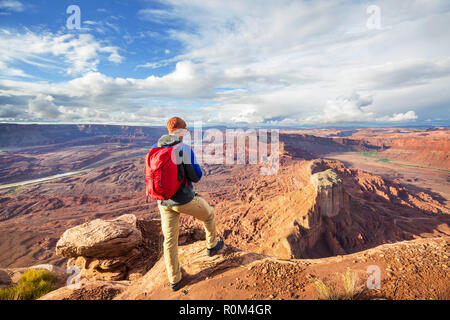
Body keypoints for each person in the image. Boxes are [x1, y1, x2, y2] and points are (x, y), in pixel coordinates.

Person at [150, 116, 224, 291]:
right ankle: (212, 246)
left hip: (163, 202)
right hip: (183, 200)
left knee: (169, 240)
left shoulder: (155, 148)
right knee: (209, 214)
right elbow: (196, 176)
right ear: (182, 132)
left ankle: (174, 280)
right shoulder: (183, 149)